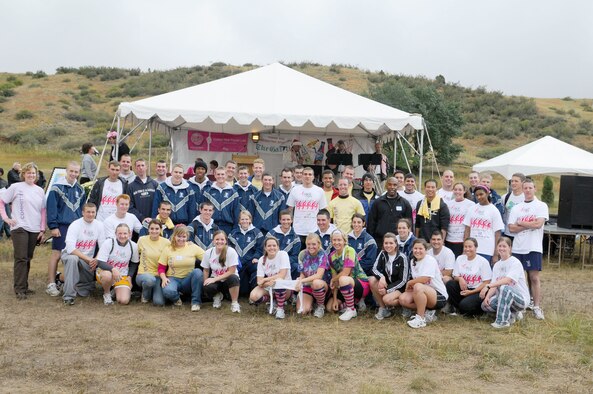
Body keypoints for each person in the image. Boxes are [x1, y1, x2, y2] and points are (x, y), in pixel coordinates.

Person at [0, 162, 46, 299]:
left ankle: (24, 286)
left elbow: (43, 211)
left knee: (28, 257)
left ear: (36, 175)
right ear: (23, 174)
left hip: (34, 228)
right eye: (28, 172)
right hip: (19, 227)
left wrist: (42, 229)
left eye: (33, 173)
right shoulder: (15, 187)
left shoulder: (40, 190)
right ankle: (19, 289)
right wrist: (6, 218)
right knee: (21, 257)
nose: (31, 175)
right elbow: (2, 202)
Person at [507, 178, 548, 320]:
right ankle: (520, 305)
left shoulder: (541, 206)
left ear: (535, 188)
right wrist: (528, 223)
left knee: (534, 277)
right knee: (517, 279)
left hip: (533, 247)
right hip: (518, 248)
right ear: (522, 189)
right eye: (526, 188)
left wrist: (521, 222)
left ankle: (536, 306)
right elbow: (511, 228)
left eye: (530, 188)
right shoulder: (516, 207)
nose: (528, 190)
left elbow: (538, 224)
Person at [45, 161, 85, 297]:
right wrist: (53, 226)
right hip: (61, 226)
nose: (73, 174)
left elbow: (82, 209)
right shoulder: (56, 188)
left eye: (76, 172)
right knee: (57, 254)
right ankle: (51, 283)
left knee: (73, 256)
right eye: (71, 171)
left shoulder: (81, 189)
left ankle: (65, 281)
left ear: (79, 173)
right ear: (66, 171)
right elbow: (51, 208)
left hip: (76, 227)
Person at [61, 203, 105, 305]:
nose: (90, 214)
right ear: (83, 213)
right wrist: (88, 259)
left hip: (88, 259)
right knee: (73, 259)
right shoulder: (75, 225)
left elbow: (103, 246)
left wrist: (96, 259)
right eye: (88, 212)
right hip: (71, 254)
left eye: (93, 212)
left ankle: (63, 280)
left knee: (85, 291)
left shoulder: (99, 225)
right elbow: (70, 248)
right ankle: (68, 296)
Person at [481, 237, 530, 328]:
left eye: (504, 246)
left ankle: (502, 322)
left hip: (520, 299)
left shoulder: (515, 262)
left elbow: (508, 280)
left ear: (510, 248)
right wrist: (487, 297)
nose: (501, 248)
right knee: (485, 306)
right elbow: (494, 284)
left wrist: (489, 285)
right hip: (504, 296)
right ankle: (513, 313)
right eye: (499, 246)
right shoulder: (497, 265)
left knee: (504, 288)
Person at [399, 239, 448, 329]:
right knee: (403, 299)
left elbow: (425, 279)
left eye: (420, 248)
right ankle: (427, 312)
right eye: (415, 248)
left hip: (439, 296)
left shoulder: (430, 260)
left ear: (426, 250)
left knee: (418, 286)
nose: (417, 251)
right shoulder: (412, 261)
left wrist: (410, 283)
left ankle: (420, 319)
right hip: (423, 291)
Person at [158, 225, 204, 311]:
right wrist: (164, 278)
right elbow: (161, 267)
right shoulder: (168, 249)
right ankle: (177, 299)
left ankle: (195, 303)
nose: (181, 239)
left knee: (198, 272)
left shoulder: (192, 247)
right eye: (179, 236)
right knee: (168, 291)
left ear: (187, 237)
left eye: (184, 237)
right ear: (174, 236)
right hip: (173, 279)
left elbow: (207, 258)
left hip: (188, 280)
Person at [327, 230, 370, 321]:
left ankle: (351, 309)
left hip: (361, 283)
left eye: (339, 240)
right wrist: (335, 299)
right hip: (344, 285)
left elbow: (346, 272)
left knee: (343, 279)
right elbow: (334, 280)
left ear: (344, 241)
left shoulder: (349, 250)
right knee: (330, 308)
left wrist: (334, 279)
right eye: (334, 240)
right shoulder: (331, 256)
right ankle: (354, 302)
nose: (336, 242)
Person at [445, 238, 492, 316]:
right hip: (464, 288)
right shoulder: (460, 258)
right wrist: (460, 279)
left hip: (477, 290)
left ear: (476, 247)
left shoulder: (483, 262)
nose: (467, 249)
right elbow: (455, 275)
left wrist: (471, 292)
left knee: (465, 305)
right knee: (450, 284)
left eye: (470, 247)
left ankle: (478, 312)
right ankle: (458, 308)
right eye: (465, 247)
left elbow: (487, 282)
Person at [95, 223, 139, 305]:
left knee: (124, 300)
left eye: (125, 233)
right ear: (115, 234)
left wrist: (130, 276)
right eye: (120, 233)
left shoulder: (134, 246)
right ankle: (107, 293)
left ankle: (114, 291)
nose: (122, 236)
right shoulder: (108, 243)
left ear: (130, 234)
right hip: (105, 272)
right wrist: (113, 269)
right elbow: (100, 262)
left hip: (122, 275)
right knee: (107, 275)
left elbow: (134, 263)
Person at [370, 232, 410, 320]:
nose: (388, 245)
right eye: (386, 243)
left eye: (391, 243)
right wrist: (382, 277)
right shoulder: (382, 253)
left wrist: (387, 290)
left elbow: (403, 280)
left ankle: (405, 306)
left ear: (396, 244)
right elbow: (374, 269)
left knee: (387, 299)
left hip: (401, 288)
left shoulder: (402, 257)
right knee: (372, 280)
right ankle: (384, 309)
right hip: (387, 283)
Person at [249, 237, 292, 319]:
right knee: (253, 296)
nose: (272, 248)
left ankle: (280, 309)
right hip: (271, 286)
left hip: (285, 287)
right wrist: (267, 283)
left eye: (274, 245)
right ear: (265, 248)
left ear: (278, 247)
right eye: (269, 246)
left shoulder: (283, 254)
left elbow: (282, 275)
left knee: (279, 281)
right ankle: (273, 302)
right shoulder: (262, 259)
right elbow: (259, 281)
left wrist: (265, 279)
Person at [201, 230, 241, 313]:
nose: (219, 241)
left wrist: (214, 279)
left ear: (226, 241)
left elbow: (231, 271)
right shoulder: (208, 252)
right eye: (217, 239)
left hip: (229, 280)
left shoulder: (231, 251)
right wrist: (205, 281)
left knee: (234, 278)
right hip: (216, 280)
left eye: (222, 239)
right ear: (213, 241)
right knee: (207, 285)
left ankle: (234, 303)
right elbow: (205, 270)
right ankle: (217, 295)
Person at [286, 167, 327, 245]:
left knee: (312, 255)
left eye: (310, 174)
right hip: (297, 230)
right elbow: (290, 209)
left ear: (313, 177)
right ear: (302, 176)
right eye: (305, 174)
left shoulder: (319, 191)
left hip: (314, 230)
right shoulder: (295, 190)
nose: (307, 176)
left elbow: (323, 211)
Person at [463, 185, 504, 263]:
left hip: (487, 250)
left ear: (487, 193)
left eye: (481, 194)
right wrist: (465, 248)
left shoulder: (494, 210)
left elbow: (498, 233)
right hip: (472, 249)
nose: (479, 197)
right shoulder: (472, 209)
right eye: (477, 195)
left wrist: (496, 253)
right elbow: (467, 230)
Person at [368, 177, 413, 247]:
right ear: (386, 186)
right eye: (390, 185)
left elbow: (409, 224)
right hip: (380, 241)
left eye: (394, 185)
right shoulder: (378, 202)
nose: (392, 187)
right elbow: (371, 223)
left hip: (398, 241)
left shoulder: (405, 203)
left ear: (398, 186)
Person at [228, 210, 264, 296]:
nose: (244, 221)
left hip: (250, 261)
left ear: (250, 220)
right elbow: (229, 248)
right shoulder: (233, 233)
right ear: (239, 221)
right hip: (237, 262)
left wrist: (256, 257)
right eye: (242, 219)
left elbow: (260, 248)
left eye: (246, 219)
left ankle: (255, 292)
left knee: (257, 268)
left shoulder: (257, 233)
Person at [294, 233, 330, 318]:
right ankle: (311, 303)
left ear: (319, 244)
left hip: (322, 285)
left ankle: (320, 306)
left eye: (314, 244)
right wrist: (300, 281)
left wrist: (301, 281)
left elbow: (319, 275)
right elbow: (302, 273)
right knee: (302, 311)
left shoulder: (322, 254)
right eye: (308, 244)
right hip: (308, 285)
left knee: (316, 283)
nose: (311, 246)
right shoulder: (302, 254)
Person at [136, 219, 169, 305]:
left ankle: (153, 292)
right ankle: (145, 295)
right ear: (148, 229)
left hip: (158, 275)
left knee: (159, 302)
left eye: (157, 229)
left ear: (161, 230)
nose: (154, 231)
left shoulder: (166, 242)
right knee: (150, 280)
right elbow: (136, 255)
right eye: (152, 228)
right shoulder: (142, 240)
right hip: (143, 274)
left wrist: (188, 244)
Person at [201, 167, 240, 234]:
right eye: (218, 174)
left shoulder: (233, 193)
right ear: (215, 175)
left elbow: (236, 212)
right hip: (211, 225)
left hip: (228, 227)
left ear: (226, 175)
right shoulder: (208, 192)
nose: (220, 176)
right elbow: (203, 210)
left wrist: (235, 228)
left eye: (222, 174)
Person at [267, 210, 301, 279]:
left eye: (288, 219)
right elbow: (266, 251)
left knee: (297, 267)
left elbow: (295, 256)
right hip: (272, 261)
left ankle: (292, 288)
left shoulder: (296, 237)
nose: (286, 222)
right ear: (280, 220)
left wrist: (283, 262)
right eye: (283, 220)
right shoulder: (271, 234)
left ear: (292, 220)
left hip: (288, 263)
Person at [445, 182, 475, 257]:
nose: (457, 192)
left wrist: (466, 241)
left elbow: (470, 225)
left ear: (464, 191)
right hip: (449, 239)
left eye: (460, 190)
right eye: (455, 189)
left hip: (461, 240)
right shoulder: (448, 204)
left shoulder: (471, 205)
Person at [127, 158, 158, 224]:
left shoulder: (154, 184)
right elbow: (130, 207)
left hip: (154, 222)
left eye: (142, 165)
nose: (140, 168)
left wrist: (153, 218)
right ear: (135, 168)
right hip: (138, 222)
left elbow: (159, 203)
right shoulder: (130, 187)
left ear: (146, 167)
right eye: (138, 166)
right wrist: (141, 218)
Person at [502, 172, 526, 239]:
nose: (513, 183)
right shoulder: (505, 197)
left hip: (522, 234)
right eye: (512, 181)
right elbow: (503, 214)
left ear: (523, 183)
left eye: (516, 181)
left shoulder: (527, 197)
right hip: (508, 233)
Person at [0, 168, 10, 239]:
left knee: (8, 217)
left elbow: (9, 192)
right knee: (1, 219)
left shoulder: (4, 182)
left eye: (0, 172)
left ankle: (9, 233)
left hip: (6, 202)